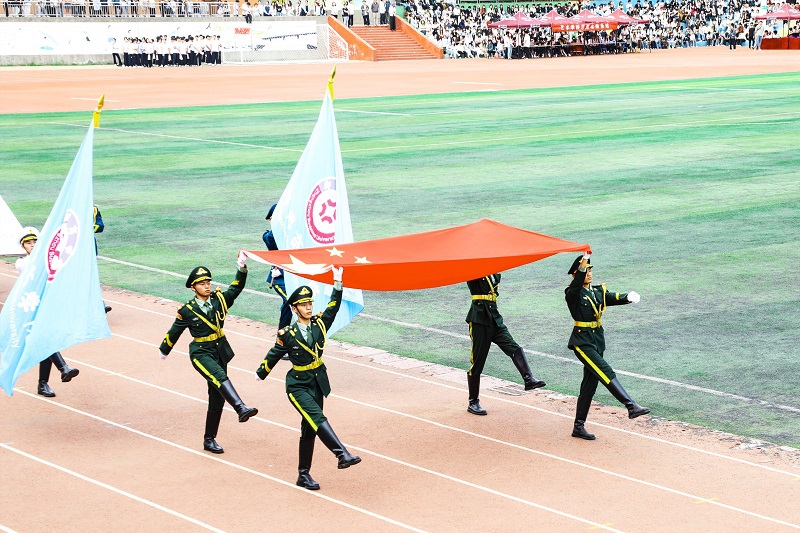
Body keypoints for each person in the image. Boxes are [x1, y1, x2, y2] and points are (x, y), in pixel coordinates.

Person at [255, 267, 361, 491]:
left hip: (317, 383)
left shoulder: (320, 325)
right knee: (317, 417)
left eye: (310, 303)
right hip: (297, 385)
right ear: (294, 309)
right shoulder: (288, 334)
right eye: (304, 305)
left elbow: (333, 306)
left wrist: (338, 283)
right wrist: (261, 372)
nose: (309, 307)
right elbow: (275, 353)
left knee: (309, 428)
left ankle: (303, 475)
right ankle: (341, 454)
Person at [159, 254, 258, 454]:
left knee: (217, 397)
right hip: (201, 353)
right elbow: (174, 331)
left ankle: (209, 439)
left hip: (219, 350)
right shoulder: (187, 310)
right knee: (219, 377)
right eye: (202, 284)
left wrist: (241, 266)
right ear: (193, 287)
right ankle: (240, 407)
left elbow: (236, 287)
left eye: (208, 282)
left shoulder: (219, 299)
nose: (206, 286)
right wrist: (164, 349)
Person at [565, 253, 649, 440]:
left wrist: (627, 297)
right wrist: (583, 262)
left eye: (590, 270)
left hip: (596, 340)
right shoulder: (572, 293)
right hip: (582, 342)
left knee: (589, 386)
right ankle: (631, 405)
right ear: (575, 274)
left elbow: (610, 297)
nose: (589, 273)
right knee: (605, 371)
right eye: (585, 270)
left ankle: (578, 427)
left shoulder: (595, 292)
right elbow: (577, 284)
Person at [464, 273, 546, 416]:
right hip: (479, 319)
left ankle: (528, 379)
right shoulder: (475, 270)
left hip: (494, 317)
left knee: (513, 346)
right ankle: (473, 402)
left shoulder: (495, 273)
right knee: (478, 361)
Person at [15, 227, 80, 398]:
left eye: (35, 241)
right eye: (28, 243)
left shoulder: (48, 259)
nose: (32, 245)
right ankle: (63, 368)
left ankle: (43, 383)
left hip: (49, 304)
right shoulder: (22, 263)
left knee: (46, 341)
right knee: (46, 339)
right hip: (33, 307)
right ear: (23, 246)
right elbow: (36, 270)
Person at [262, 203, 293, 333]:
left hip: (293, 276)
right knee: (293, 301)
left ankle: (283, 338)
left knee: (289, 305)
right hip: (279, 279)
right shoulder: (269, 236)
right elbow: (271, 238)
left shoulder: (291, 233)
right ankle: (283, 337)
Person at [93, 205, 112, 313]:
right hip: (73, 249)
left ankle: (100, 304)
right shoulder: (71, 206)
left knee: (92, 279)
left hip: (90, 249)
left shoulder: (93, 209)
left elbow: (100, 226)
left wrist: (87, 227)